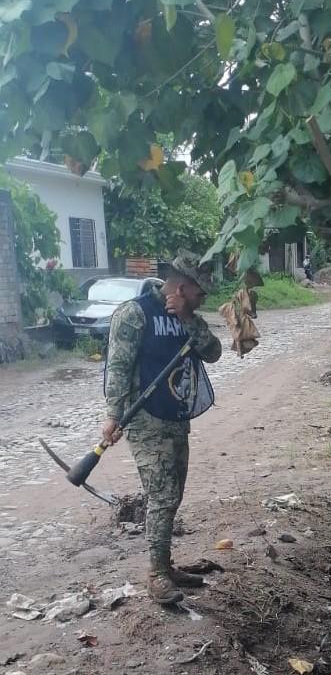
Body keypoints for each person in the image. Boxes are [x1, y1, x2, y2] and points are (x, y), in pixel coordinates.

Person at [101, 253, 222, 606]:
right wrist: (113, 415)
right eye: (201, 294)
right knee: (163, 495)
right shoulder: (135, 314)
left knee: (175, 493)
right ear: (182, 287)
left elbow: (212, 352)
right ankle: (156, 574)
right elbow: (118, 368)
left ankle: (166, 565)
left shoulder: (187, 317)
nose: (204, 299)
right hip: (145, 419)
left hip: (175, 415)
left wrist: (188, 318)